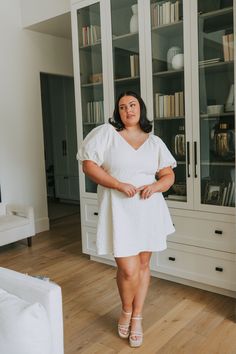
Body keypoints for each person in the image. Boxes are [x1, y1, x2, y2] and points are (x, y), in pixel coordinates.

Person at [77, 91, 176, 347]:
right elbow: (89, 165)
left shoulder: (154, 142)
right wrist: (119, 184)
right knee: (127, 269)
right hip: (119, 210)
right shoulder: (106, 135)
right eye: (122, 107)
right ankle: (126, 309)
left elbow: (167, 176)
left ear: (140, 109)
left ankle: (137, 317)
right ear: (117, 113)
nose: (128, 110)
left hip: (148, 209)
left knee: (143, 266)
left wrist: (155, 187)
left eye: (132, 105)